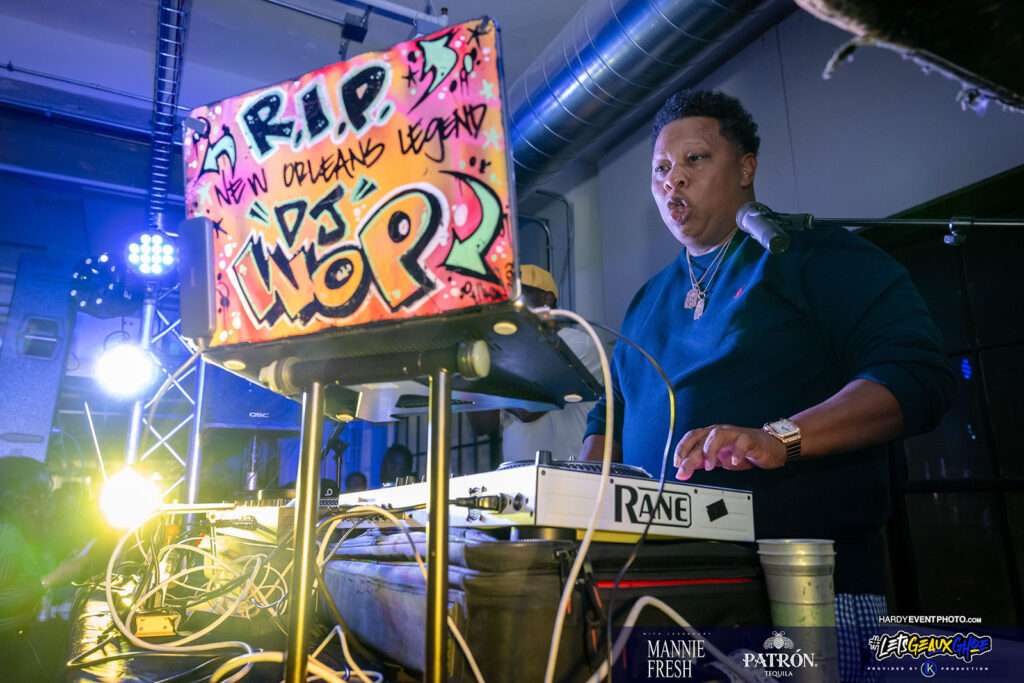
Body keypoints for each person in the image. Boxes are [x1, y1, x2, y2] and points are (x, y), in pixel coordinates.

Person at [581, 90, 954, 682]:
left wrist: (779, 438)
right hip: (665, 596)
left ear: (746, 167)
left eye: (695, 159)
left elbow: (915, 377)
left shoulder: (816, 256)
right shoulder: (646, 301)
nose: (673, 180)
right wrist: (578, 495)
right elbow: (609, 415)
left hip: (806, 595)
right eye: (661, 169)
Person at [0, 457, 93, 680]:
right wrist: (51, 579)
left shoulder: (20, 529)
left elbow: (24, 572)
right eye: (43, 492)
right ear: (21, 497)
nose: (48, 500)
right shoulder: (6, 533)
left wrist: (63, 567)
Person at [501, 265, 603, 462]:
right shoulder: (508, 354)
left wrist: (493, 382)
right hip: (515, 473)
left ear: (547, 298)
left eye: (518, 295)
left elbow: (528, 409)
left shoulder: (575, 343)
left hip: (566, 470)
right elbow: (482, 424)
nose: (509, 305)